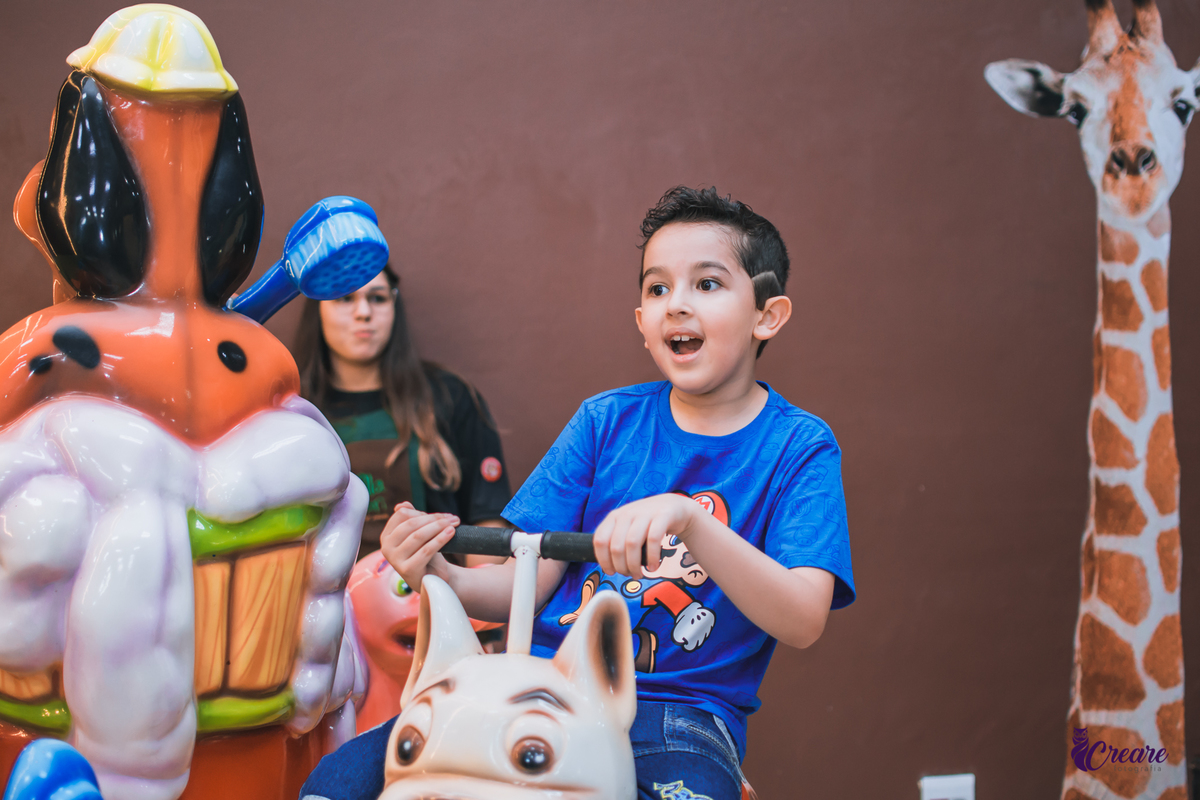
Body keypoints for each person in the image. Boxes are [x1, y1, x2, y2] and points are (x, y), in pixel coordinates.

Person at [300, 187, 855, 800]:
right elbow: (527, 581)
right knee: (338, 782)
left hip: (675, 713)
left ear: (767, 315)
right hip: (535, 680)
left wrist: (692, 525)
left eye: (707, 284)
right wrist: (443, 574)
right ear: (642, 321)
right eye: (657, 288)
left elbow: (803, 619)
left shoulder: (799, 446)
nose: (676, 306)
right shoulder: (603, 422)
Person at [294, 265, 512, 559]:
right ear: (317, 309)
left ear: (394, 306)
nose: (363, 312)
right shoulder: (294, 414)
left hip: (434, 597)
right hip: (327, 602)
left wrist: (473, 601)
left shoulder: (449, 397)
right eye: (344, 298)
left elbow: (487, 524)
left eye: (378, 298)